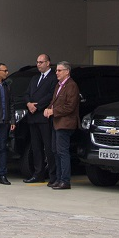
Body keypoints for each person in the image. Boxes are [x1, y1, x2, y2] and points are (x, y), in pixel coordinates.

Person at [22, 53, 55, 184]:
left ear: (48, 63)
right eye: (37, 62)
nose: (38, 64)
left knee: (48, 147)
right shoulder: (35, 78)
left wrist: (38, 106)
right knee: (36, 147)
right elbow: (26, 93)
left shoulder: (53, 78)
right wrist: (29, 104)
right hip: (32, 117)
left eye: (41, 62)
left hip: (44, 117)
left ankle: (53, 175)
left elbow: (51, 95)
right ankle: (38, 173)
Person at [48, 60, 80, 190]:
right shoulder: (59, 85)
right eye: (56, 70)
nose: (57, 73)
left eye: (59, 70)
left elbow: (70, 107)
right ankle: (58, 178)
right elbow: (54, 101)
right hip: (56, 123)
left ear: (67, 71)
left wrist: (54, 111)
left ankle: (65, 180)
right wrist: (48, 108)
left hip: (65, 123)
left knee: (62, 151)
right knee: (55, 151)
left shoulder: (71, 86)